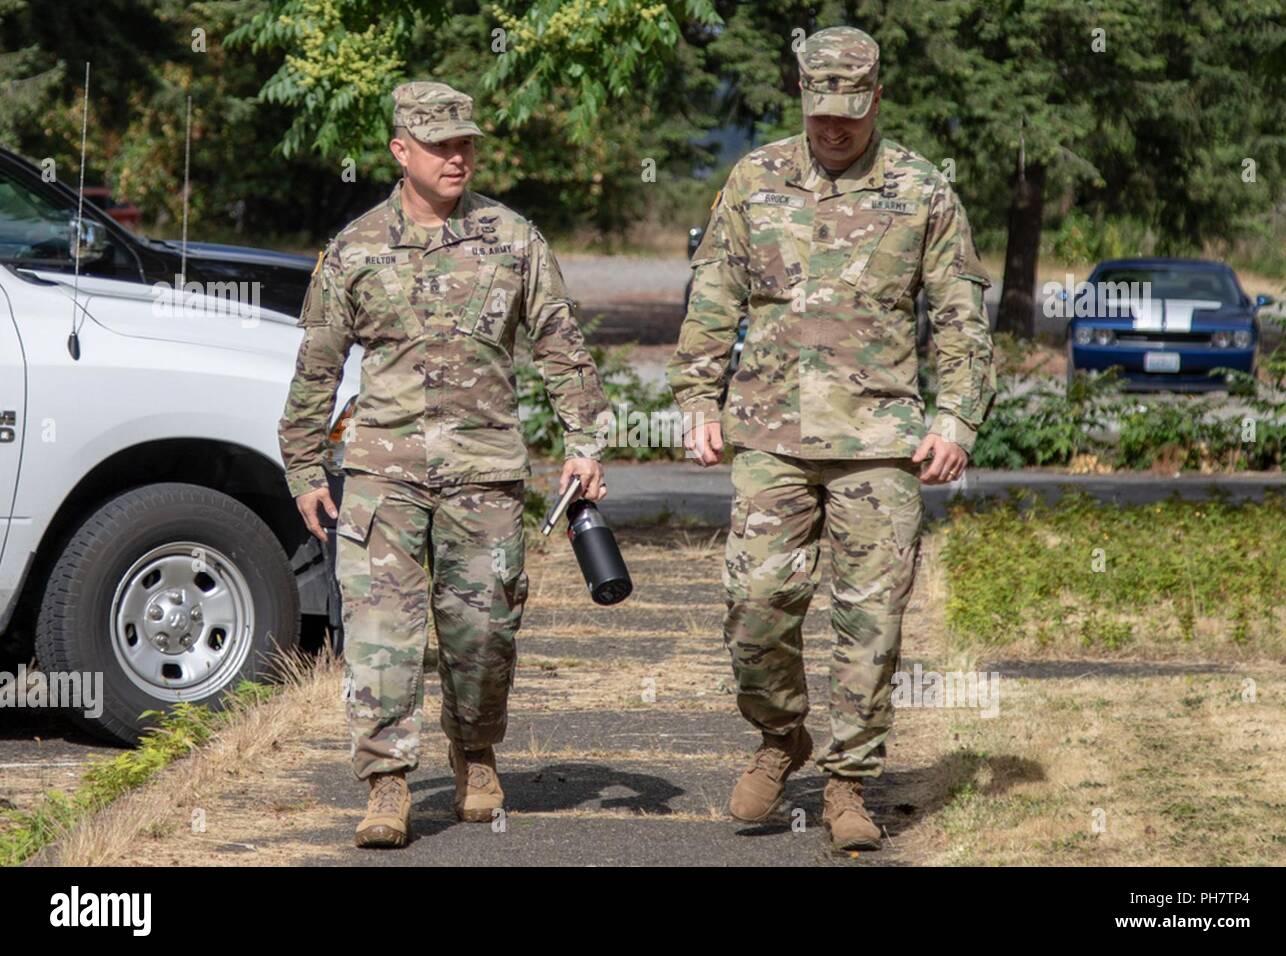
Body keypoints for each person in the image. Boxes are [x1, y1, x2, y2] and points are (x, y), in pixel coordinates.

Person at [667, 26, 995, 852]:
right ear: (803, 100)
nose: (835, 129)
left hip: (881, 440)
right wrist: (697, 400)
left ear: (876, 99)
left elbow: (959, 313)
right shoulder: (756, 178)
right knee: (754, 607)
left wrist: (956, 418)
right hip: (771, 436)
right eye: (821, 114)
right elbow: (713, 295)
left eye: (850, 113)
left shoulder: (923, 190)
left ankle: (849, 781)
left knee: (871, 621)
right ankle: (782, 738)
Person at [279, 81, 610, 849]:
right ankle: (387, 782)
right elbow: (315, 369)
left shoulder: (512, 238)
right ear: (401, 152)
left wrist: (585, 443)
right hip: (382, 475)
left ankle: (476, 750)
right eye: (440, 146)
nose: (458, 157)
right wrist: (301, 469)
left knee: (484, 635)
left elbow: (561, 346)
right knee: (379, 636)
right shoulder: (356, 248)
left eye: (467, 144)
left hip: (485, 473)